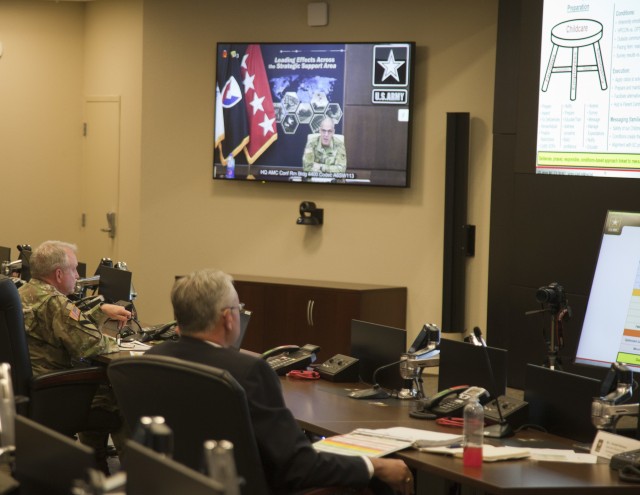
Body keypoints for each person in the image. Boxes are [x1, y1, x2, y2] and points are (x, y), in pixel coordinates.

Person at [146, 269, 415, 494]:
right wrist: (373, 465)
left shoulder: (152, 358)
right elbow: (299, 467)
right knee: (377, 483)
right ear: (228, 318)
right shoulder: (249, 371)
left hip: (182, 484)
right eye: (238, 309)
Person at [18, 240, 132, 472]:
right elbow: (93, 345)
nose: (78, 276)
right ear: (58, 274)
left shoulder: (23, 293)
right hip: (55, 394)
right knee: (120, 397)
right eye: (74, 269)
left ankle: (95, 466)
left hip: (29, 392)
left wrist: (98, 311)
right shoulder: (54, 302)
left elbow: (61, 327)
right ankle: (135, 478)